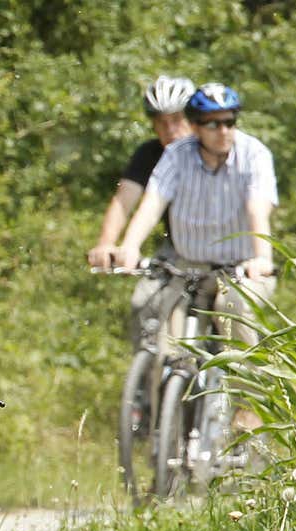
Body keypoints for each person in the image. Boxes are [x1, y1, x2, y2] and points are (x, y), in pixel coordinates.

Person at [114, 82, 277, 354]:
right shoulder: (176, 155)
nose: (223, 131)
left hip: (239, 269)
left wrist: (262, 259)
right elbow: (152, 204)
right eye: (212, 124)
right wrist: (129, 247)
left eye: (229, 122)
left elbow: (257, 208)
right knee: (160, 330)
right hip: (187, 266)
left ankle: (247, 395)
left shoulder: (254, 154)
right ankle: (152, 392)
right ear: (196, 126)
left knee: (233, 312)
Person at [87, 75, 196, 348]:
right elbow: (124, 200)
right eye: (161, 122)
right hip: (176, 246)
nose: (169, 129)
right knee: (143, 302)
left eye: (177, 119)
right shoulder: (149, 154)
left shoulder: (209, 151)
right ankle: (145, 383)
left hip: (225, 247)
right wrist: (107, 243)